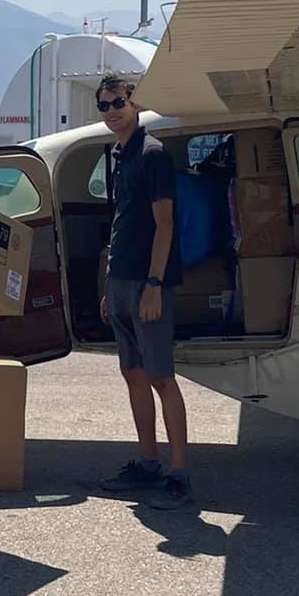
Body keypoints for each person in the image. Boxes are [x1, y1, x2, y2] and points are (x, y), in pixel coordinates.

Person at [94, 72, 193, 509]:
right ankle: (147, 461)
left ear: (135, 103)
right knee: (132, 373)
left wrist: (154, 284)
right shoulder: (120, 155)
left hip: (146, 283)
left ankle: (178, 472)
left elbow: (164, 223)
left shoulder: (152, 155)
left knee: (161, 377)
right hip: (120, 281)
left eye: (118, 103)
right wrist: (110, 287)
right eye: (104, 106)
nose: (112, 112)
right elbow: (122, 224)